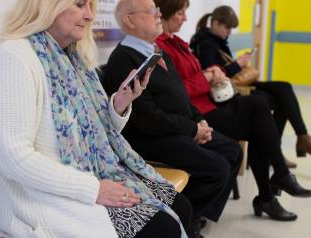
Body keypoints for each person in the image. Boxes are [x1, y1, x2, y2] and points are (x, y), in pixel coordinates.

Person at [0, 0, 195, 237]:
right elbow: (12, 157)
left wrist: (119, 105)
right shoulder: (14, 57)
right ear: (47, 6)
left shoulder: (74, 59)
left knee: (180, 205)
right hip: (41, 199)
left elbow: (98, 132)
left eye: (91, 6)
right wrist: (94, 189)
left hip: (89, 177)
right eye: (80, 4)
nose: (89, 15)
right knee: (161, 228)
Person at [154, 0, 311, 223]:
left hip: (208, 104)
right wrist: (208, 76)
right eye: (180, 13)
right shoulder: (161, 48)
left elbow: (192, 75)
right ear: (163, 15)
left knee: (261, 119)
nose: (185, 19)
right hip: (197, 113)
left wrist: (211, 72)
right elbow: (178, 90)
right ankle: (277, 180)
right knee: (258, 105)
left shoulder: (178, 43)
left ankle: (269, 191)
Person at [104, 0, 243, 236]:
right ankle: (186, 219)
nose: (159, 14)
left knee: (233, 151)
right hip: (151, 139)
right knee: (218, 169)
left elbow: (182, 96)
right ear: (130, 20)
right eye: (151, 11)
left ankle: (194, 217)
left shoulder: (157, 52)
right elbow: (147, 118)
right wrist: (191, 130)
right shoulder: (123, 59)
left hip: (178, 129)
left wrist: (200, 121)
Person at [190, 5, 311, 169]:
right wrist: (238, 64)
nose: (229, 32)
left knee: (284, 89)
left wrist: (238, 63)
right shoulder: (205, 44)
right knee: (280, 98)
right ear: (216, 23)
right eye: (227, 27)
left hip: (237, 84)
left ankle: (297, 138)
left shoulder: (217, 41)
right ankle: (282, 147)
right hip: (228, 91)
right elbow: (215, 77)